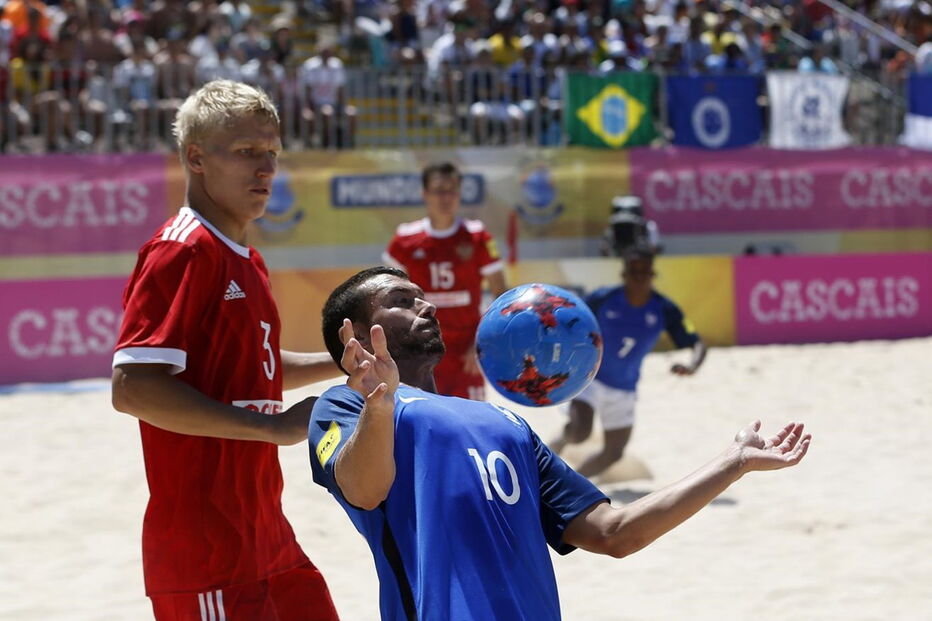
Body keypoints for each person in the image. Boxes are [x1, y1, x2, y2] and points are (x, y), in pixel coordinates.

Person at [308, 266, 811, 620]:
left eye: (422, 296)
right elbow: (363, 489)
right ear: (355, 336)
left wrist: (733, 462)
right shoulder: (345, 407)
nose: (427, 305)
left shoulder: (505, 422)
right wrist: (379, 403)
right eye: (402, 300)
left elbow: (615, 533)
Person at [111, 80, 340, 621]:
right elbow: (133, 388)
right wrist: (274, 427)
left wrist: (341, 360)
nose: (266, 168)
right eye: (246, 152)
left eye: (272, 152)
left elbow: (253, 371)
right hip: (208, 555)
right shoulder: (182, 250)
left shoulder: (246, 259)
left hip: (266, 535)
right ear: (196, 158)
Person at [551, 246, 707, 478]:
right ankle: (558, 444)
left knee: (614, 453)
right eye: (634, 271)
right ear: (624, 274)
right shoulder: (603, 298)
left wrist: (692, 366)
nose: (639, 277)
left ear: (653, 274)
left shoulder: (664, 308)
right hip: (589, 377)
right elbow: (568, 319)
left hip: (625, 387)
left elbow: (697, 343)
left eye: (645, 271)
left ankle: (573, 484)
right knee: (580, 432)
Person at [382, 161, 507, 400]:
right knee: (422, 421)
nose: (446, 197)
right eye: (439, 190)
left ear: (459, 194)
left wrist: (483, 343)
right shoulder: (405, 239)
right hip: (421, 354)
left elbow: (501, 296)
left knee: (471, 421)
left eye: (452, 190)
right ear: (425, 194)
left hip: (466, 356)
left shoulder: (477, 236)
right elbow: (386, 299)